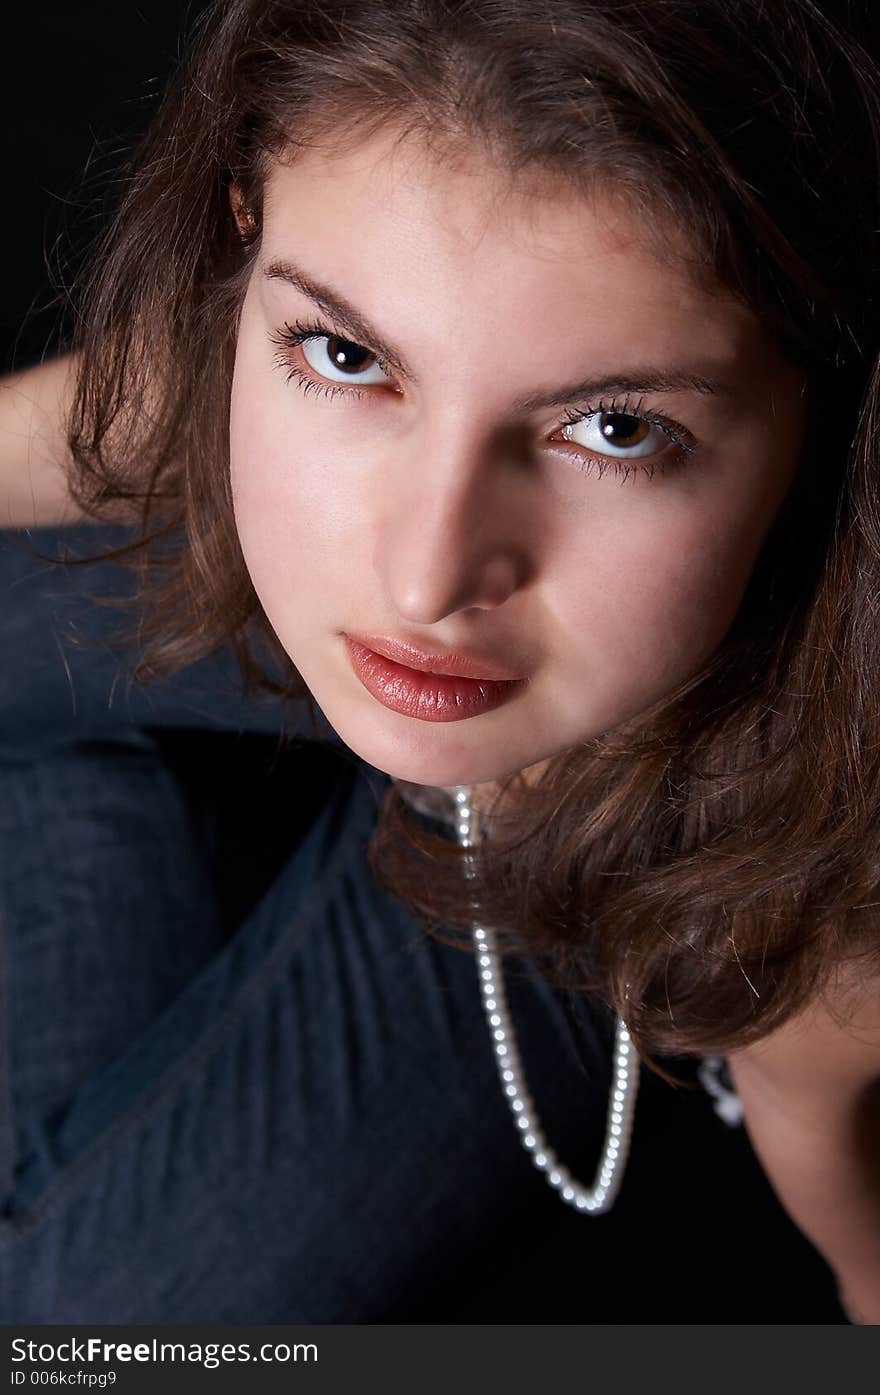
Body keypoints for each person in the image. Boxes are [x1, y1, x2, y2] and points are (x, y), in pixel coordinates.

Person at [1, 0, 878, 1324]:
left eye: (619, 430)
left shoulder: (830, 911)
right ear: (246, 240)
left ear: (826, 418)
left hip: (628, 864)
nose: (425, 581)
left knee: (72, 1333)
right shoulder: (245, 392)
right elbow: (119, 417)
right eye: (347, 356)